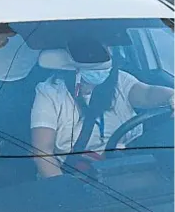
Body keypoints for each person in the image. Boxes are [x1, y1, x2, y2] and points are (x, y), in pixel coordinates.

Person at [31, 38, 174, 178]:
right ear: (70, 63)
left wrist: (171, 96)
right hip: (76, 176)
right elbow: (43, 152)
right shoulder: (50, 93)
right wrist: (62, 189)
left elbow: (147, 94)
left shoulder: (120, 80)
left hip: (128, 168)